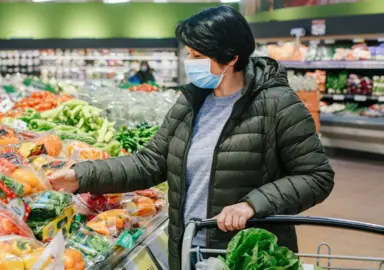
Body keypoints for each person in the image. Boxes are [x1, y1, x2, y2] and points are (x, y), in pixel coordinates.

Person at [49, 6, 334, 270]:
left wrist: (252, 204)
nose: (190, 63)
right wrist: (81, 176)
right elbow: (150, 163)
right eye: (188, 54)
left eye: (198, 56)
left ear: (231, 57)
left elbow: (316, 176)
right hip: (188, 248)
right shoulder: (189, 103)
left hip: (246, 254)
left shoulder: (278, 104)